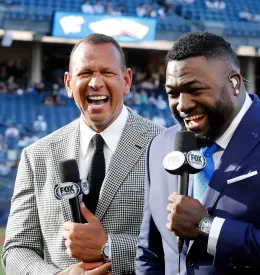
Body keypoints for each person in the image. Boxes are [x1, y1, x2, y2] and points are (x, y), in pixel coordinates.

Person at [135, 31, 260, 274]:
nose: (182, 104)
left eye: (195, 89)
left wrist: (208, 228)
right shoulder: (161, 145)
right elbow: (150, 253)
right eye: (173, 93)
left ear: (233, 83)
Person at [2, 33, 163, 275]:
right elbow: (17, 247)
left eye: (107, 72)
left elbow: (181, 244)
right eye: (85, 73)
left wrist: (109, 248)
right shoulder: (37, 156)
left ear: (127, 80)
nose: (96, 83)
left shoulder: (163, 147)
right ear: (68, 83)